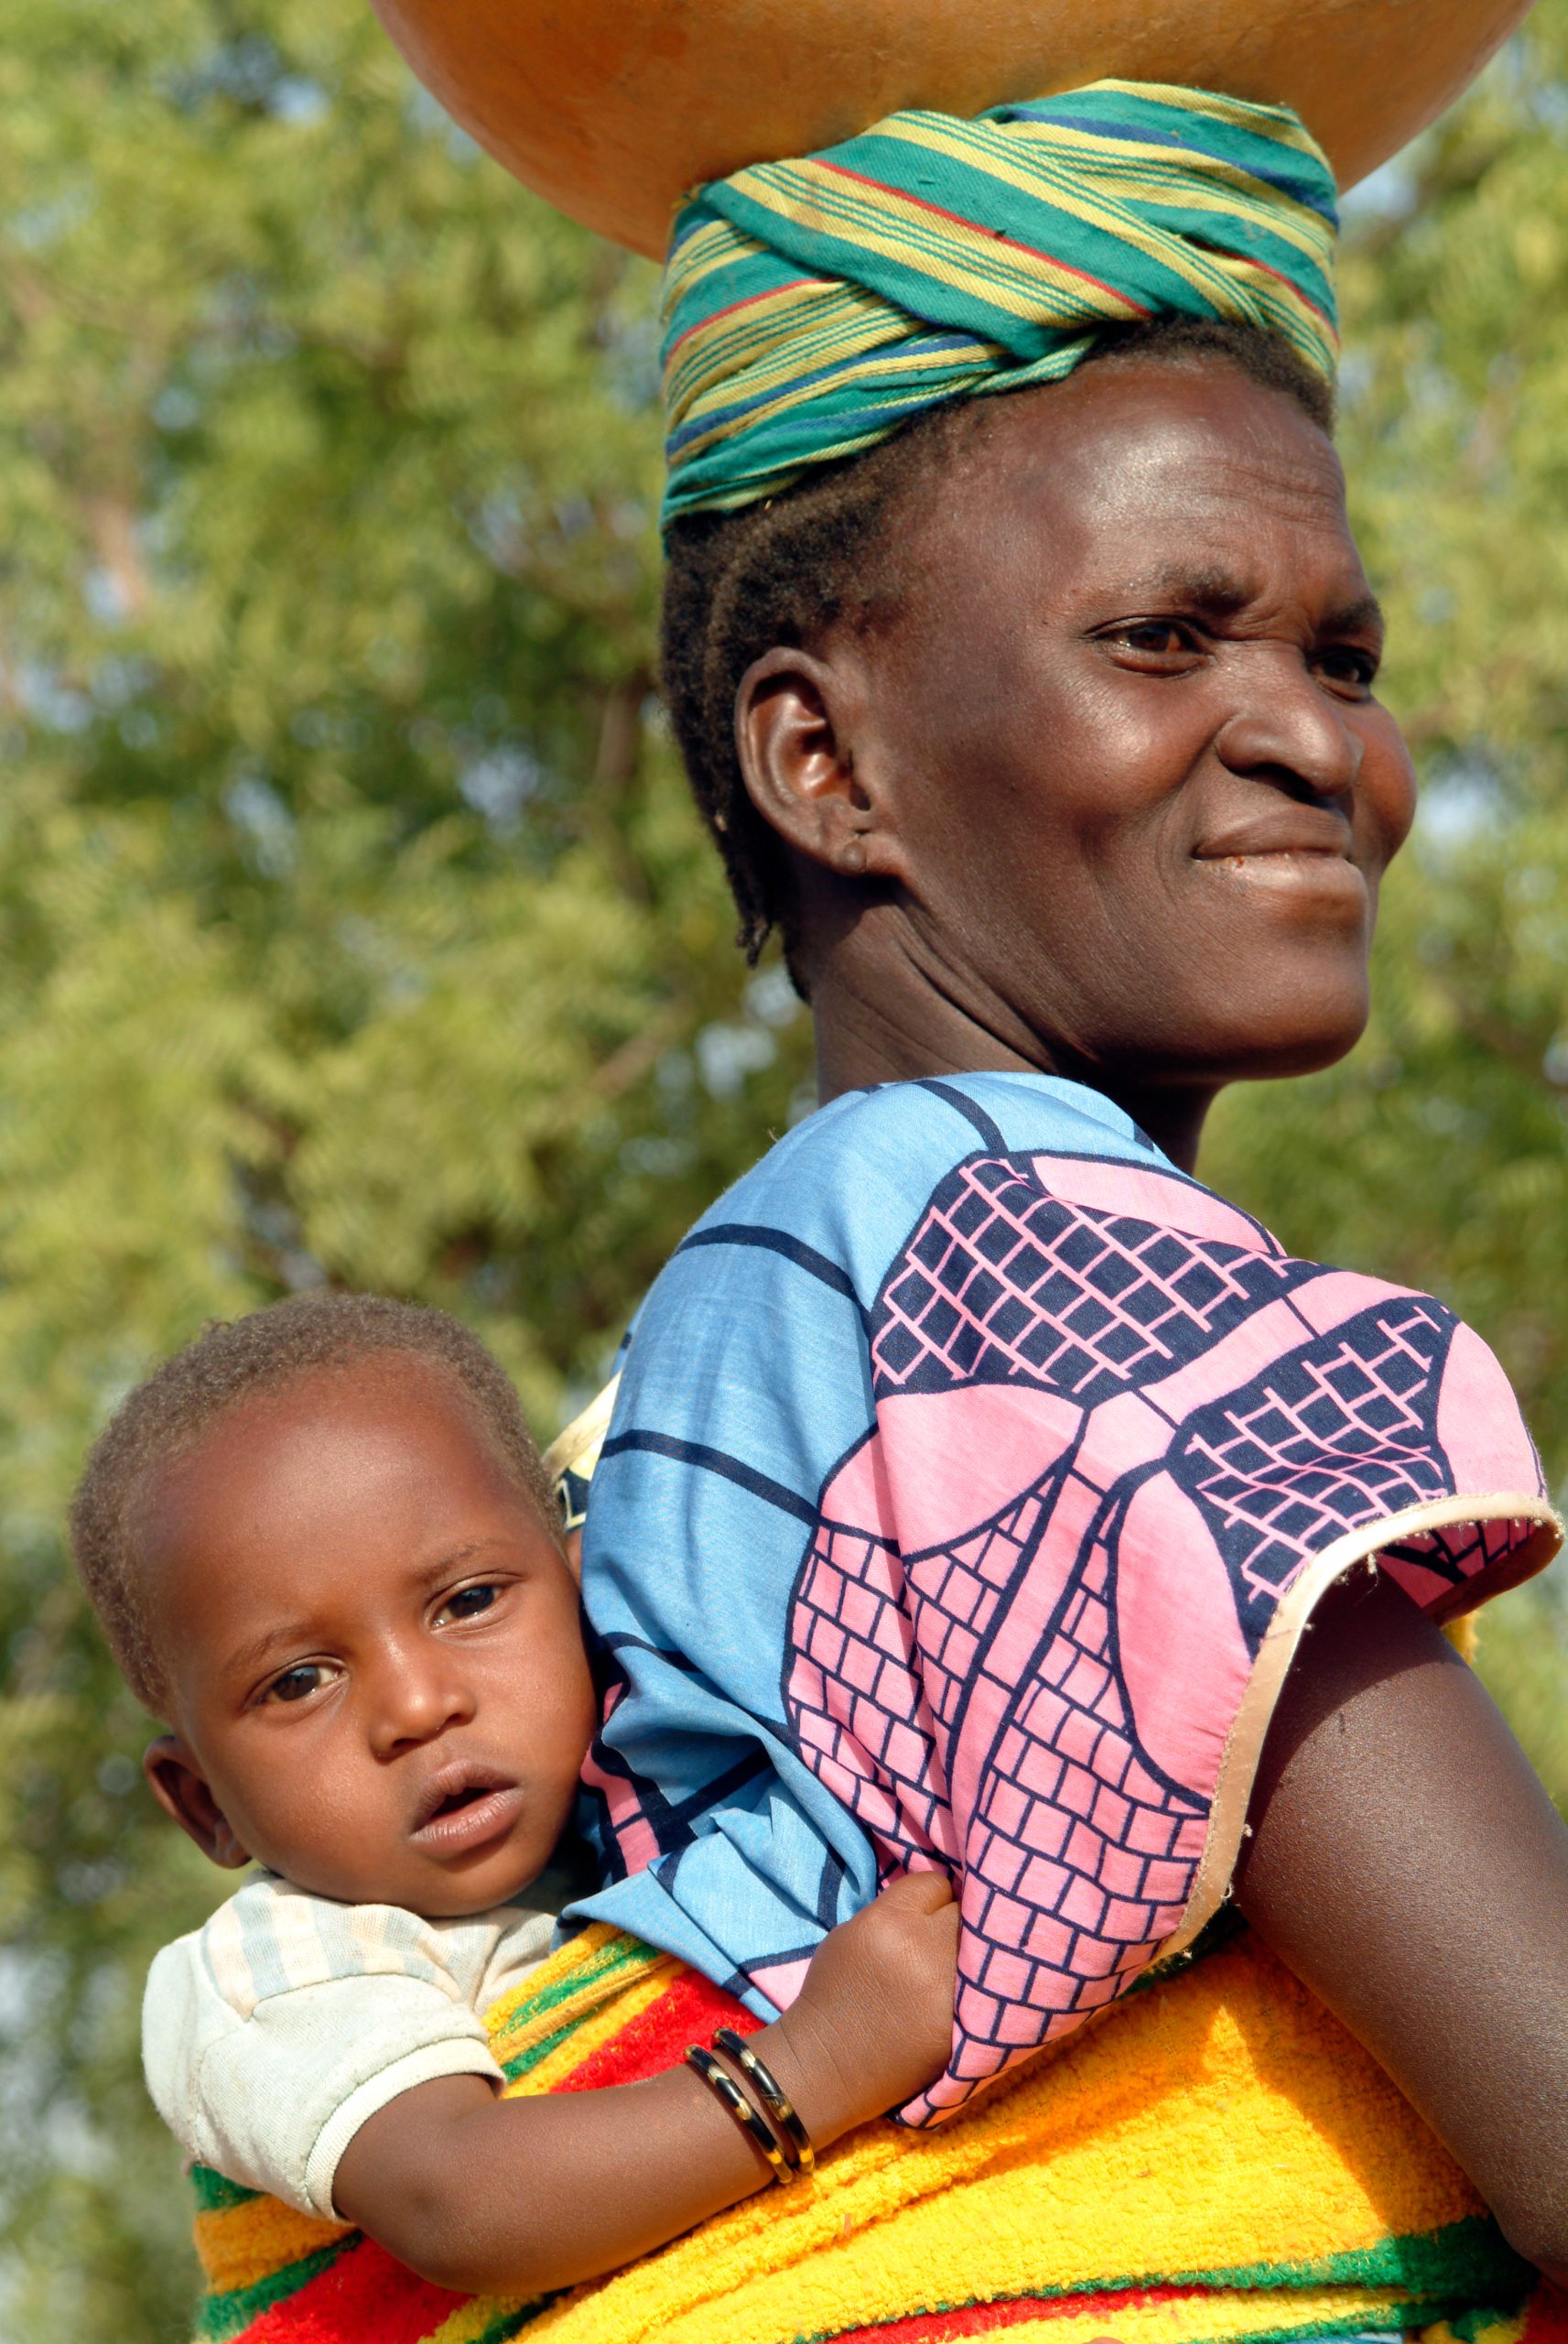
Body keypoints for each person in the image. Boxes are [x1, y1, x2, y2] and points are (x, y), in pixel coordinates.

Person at [570, 74, 1568, 2266]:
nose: (1317, 738)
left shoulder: (736, 1319)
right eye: (1160, 635)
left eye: (1338, 653)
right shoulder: (1031, 1263)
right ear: (823, 761)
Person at [69, 1292, 960, 2299]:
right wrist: (817, 2063)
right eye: (299, 1680)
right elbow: (453, 2199)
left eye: (470, 1602)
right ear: (205, 1805)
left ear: (587, 1593)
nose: (416, 1704)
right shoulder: (288, 1963)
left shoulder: (681, 1801)